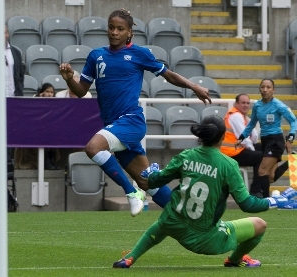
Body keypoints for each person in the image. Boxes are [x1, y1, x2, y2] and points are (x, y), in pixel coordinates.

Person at [59, 8, 211, 216]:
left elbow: (168, 75)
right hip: (114, 126)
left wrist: (194, 87)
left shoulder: (139, 54)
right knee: (147, 181)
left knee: (93, 148)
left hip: (131, 121)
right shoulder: (96, 56)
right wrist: (69, 79)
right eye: (111, 27)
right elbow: (82, 90)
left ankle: (131, 192)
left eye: (120, 29)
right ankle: (186, 217)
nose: (114, 32)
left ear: (129, 32)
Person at [113, 115, 287, 269]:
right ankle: (235, 260)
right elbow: (247, 204)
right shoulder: (228, 165)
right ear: (222, 136)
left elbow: (154, 181)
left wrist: (152, 174)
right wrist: (274, 201)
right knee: (260, 225)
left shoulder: (186, 156)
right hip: (205, 240)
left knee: (166, 219)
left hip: (173, 224)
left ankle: (130, 258)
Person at [235, 79, 297, 198]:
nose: (265, 90)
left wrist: (290, 139)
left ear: (273, 90)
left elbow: (293, 121)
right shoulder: (258, 105)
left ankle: (266, 200)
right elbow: (252, 123)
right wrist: (241, 137)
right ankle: (291, 161)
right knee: (271, 177)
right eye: (263, 87)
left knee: (261, 171)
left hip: (276, 140)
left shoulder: (278, 105)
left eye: (268, 87)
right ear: (259, 89)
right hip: (265, 141)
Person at [15, 83, 61, 170]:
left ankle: (52, 160)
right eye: (47, 91)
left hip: (49, 129)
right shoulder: (34, 102)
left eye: (51, 92)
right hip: (35, 130)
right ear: (41, 92)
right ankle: (46, 161)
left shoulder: (55, 104)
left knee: (52, 134)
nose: (49, 94)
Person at [5, 25, 25, 163]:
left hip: (12, 98)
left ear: (7, 34)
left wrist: (19, 95)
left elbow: (20, 76)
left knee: (10, 130)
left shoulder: (15, 52)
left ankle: (9, 160)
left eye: (4, 32)